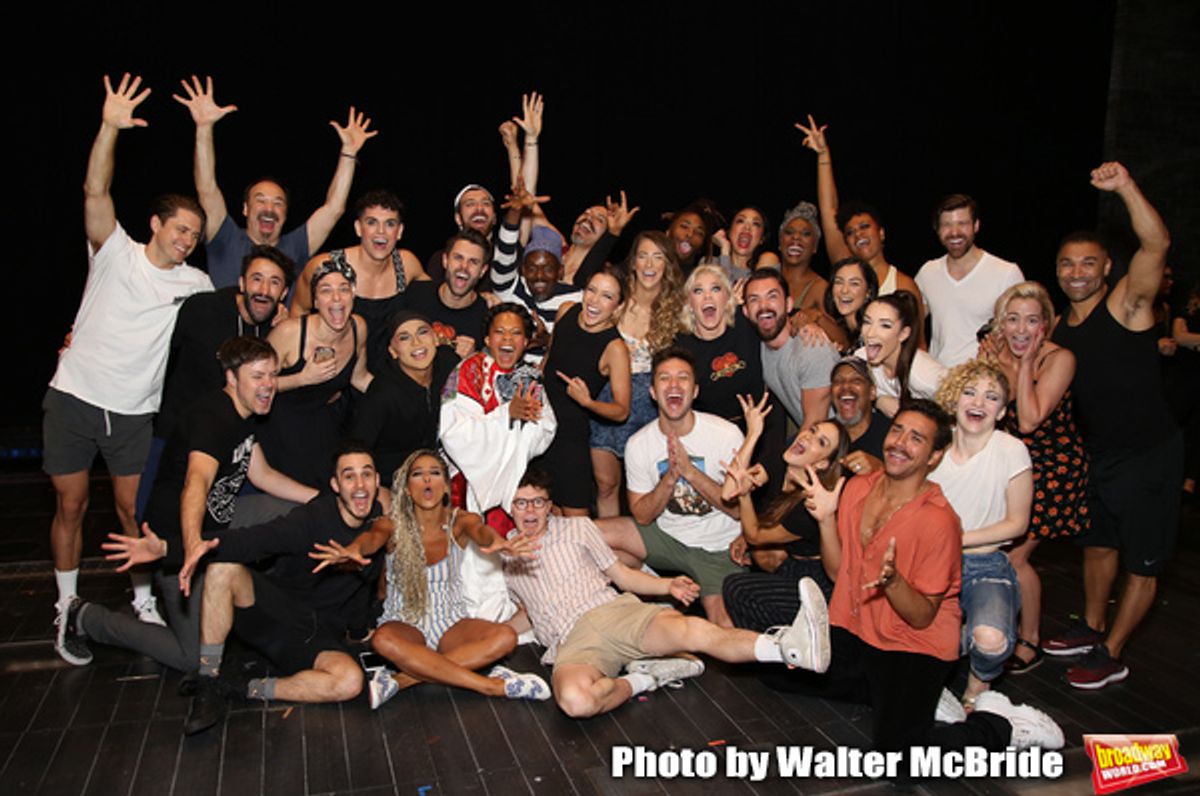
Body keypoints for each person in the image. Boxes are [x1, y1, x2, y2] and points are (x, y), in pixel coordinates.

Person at [790, 400, 1063, 776]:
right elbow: (839, 574)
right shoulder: (857, 490)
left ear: (934, 456)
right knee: (782, 672)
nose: (900, 443)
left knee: (899, 761)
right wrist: (825, 521)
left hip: (914, 644)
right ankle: (919, 702)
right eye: (898, 430)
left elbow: (922, 617)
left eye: (916, 438)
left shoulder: (939, 521)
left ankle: (1003, 726)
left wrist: (893, 582)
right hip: (861, 630)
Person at [47, 74, 214, 658]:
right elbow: (96, 189)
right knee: (71, 505)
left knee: (129, 510)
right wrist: (108, 128)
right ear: (156, 225)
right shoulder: (113, 250)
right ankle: (65, 605)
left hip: (135, 412)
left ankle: (143, 600)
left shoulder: (196, 283)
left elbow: (215, 335)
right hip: (74, 396)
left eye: (195, 234)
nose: (187, 240)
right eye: (180, 230)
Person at [59, 337, 318, 671]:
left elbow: (264, 475)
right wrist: (192, 545)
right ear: (231, 378)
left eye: (272, 375)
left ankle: (280, 604)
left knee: (297, 515)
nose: (268, 384)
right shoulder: (213, 420)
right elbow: (196, 482)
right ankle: (85, 617)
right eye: (257, 376)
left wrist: (322, 499)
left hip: (220, 523)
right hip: (175, 542)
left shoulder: (246, 411)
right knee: (194, 657)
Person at [503, 468, 831, 718]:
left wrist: (667, 585)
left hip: (614, 613)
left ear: (549, 505)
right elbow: (528, 611)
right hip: (572, 643)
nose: (530, 510)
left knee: (694, 631)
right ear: (510, 507)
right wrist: (496, 636)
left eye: (538, 501)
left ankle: (788, 646)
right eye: (521, 502)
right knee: (576, 702)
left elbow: (622, 575)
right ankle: (645, 678)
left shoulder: (577, 528)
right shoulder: (505, 557)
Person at [1044, 162, 1181, 690]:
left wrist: (1124, 187)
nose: (1075, 272)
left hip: (1149, 453)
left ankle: (1113, 652)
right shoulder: (1061, 325)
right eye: (1066, 264)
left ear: (1105, 270)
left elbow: (1157, 244)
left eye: (1087, 263)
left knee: (1142, 563)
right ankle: (1092, 627)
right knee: (1097, 546)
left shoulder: (1128, 304)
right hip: (1097, 456)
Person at [311, 450, 547, 708]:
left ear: (445, 485)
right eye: (417, 474)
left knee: (506, 637)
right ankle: (490, 684)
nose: (426, 481)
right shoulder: (390, 524)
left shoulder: (460, 521)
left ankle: (403, 679)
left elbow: (481, 532)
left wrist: (500, 543)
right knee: (382, 640)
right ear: (407, 486)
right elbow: (371, 539)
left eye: (434, 473)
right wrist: (355, 549)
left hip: (452, 621)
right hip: (405, 621)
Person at [182, 442, 389, 735]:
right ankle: (207, 680)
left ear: (377, 481)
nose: (359, 484)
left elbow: (361, 589)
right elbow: (254, 540)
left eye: (366, 475)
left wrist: (359, 631)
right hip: (278, 615)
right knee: (223, 567)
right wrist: (173, 549)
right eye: (349, 476)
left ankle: (243, 688)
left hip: (317, 638)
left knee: (349, 682)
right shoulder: (312, 519)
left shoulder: (378, 523)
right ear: (335, 485)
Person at [173, 75, 376, 288]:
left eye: (278, 203)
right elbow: (206, 188)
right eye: (260, 200)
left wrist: (349, 152)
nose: (269, 208)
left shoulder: (296, 246)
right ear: (245, 209)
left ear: (286, 214)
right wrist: (204, 128)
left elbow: (334, 208)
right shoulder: (225, 238)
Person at [139, 245, 294, 519]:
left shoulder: (276, 331)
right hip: (176, 439)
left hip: (234, 447)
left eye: (274, 283)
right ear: (242, 283)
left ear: (283, 293)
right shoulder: (203, 308)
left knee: (227, 526)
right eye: (257, 279)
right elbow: (155, 345)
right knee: (152, 522)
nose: (263, 289)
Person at [597, 348, 745, 626]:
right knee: (588, 534)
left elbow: (738, 511)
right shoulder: (639, 444)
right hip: (667, 537)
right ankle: (656, 583)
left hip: (718, 547)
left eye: (682, 378)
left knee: (722, 626)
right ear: (653, 391)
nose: (674, 385)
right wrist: (669, 479)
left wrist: (690, 472)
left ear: (695, 390)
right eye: (664, 378)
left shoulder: (725, 434)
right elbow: (642, 515)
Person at [985, 281, 1088, 673]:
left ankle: (1029, 641)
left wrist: (1024, 363)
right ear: (1001, 323)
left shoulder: (1060, 359)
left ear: (1045, 324)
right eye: (1013, 319)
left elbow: (1028, 419)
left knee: (1015, 556)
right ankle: (999, 627)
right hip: (1015, 465)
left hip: (1054, 467)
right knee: (999, 552)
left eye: (1031, 320)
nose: (1021, 329)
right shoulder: (996, 354)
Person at [930, 360, 1033, 708]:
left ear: (1002, 411)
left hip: (985, 564)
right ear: (955, 399)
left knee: (990, 641)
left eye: (991, 398)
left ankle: (977, 686)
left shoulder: (1010, 450)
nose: (978, 403)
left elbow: (1017, 524)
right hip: (932, 562)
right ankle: (951, 644)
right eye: (970, 393)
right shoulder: (936, 445)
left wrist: (956, 538)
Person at [720, 393, 848, 631]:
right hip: (791, 563)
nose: (809, 438)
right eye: (812, 430)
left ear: (822, 464)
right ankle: (784, 641)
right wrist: (753, 433)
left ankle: (800, 639)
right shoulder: (782, 463)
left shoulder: (810, 502)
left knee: (736, 588)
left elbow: (755, 535)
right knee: (758, 565)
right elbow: (728, 492)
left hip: (818, 579)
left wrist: (746, 494)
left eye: (821, 442)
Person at [590, 232, 685, 517]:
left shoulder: (676, 310)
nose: (649, 264)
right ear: (633, 262)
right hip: (607, 398)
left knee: (651, 488)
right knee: (607, 485)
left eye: (658, 257)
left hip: (652, 404)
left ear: (667, 265)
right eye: (643, 255)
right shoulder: (614, 299)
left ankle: (649, 554)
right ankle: (611, 553)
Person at [259, 259, 371, 490]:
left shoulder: (358, 328)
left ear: (353, 295)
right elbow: (254, 385)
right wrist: (301, 379)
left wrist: (405, 392)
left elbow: (359, 379)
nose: (337, 298)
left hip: (323, 430)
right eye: (326, 291)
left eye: (343, 289)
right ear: (315, 301)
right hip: (281, 430)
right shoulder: (289, 333)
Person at [794, 115, 923, 313]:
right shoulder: (846, 269)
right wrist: (823, 155)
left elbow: (918, 341)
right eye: (851, 232)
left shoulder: (903, 285)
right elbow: (829, 211)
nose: (859, 235)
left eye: (864, 227)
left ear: (881, 233)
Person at [292, 190, 430, 374]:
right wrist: (306, 363)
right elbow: (298, 310)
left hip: (390, 377)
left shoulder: (406, 264)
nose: (381, 231)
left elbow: (437, 297)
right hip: (339, 378)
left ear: (400, 231)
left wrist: (477, 299)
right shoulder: (325, 266)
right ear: (358, 228)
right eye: (372, 222)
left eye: (390, 224)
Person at [537, 267, 630, 514]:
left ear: (618, 307)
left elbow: (621, 411)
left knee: (576, 521)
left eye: (607, 296)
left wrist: (588, 402)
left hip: (570, 438)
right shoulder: (566, 310)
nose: (594, 301)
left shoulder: (615, 348)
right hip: (538, 427)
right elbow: (550, 356)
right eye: (592, 290)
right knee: (539, 510)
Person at [348, 311, 459, 485]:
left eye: (422, 332)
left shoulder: (449, 365)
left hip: (440, 472)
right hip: (392, 480)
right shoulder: (382, 392)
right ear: (393, 351)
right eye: (404, 337)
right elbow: (357, 450)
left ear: (436, 339)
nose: (416, 342)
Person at [916, 194, 1024, 368]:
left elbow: (1025, 330)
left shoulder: (1006, 273)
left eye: (962, 224)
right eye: (947, 225)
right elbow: (910, 321)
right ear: (937, 229)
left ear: (976, 226)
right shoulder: (928, 272)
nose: (954, 232)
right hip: (938, 385)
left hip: (985, 384)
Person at [742, 270, 838, 430]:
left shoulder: (811, 347)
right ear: (746, 311)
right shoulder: (756, 347)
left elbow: (815, 428)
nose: (764, 306)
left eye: (772, 296)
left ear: (788, 304)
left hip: (835, 442)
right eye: (754, 300)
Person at [403, 229, 493, 357]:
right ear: (445, 260)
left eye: (473, 262)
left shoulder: (487, 319)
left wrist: (473, 360)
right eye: (458, 257)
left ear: (483, 271)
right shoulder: (415, 296)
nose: (464, 267)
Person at [857, 292, 947, 416]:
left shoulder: (922, 375)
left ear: (903, 334)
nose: (871, 333)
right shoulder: (861, 359)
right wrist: (878, 400)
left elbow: (966, 402)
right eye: (867, 322)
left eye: (885, 325)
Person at [829, 357, 890, 476]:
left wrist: (880, 469)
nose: (845, 387)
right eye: (838, 382)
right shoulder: (823, 437)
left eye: (856, 381)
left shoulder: (892, 436)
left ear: (872, 393)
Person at [703, 206, 780, 281]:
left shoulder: (766, 264)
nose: (747, 227)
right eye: (741, 221)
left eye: (756, 224)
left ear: (762, 239)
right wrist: (725, 250)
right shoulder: (709, 263)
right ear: (729, 231)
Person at [822, 257, 879, 353]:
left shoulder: (872, 332)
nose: (844, 290)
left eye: (854, 284)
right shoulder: (835, 329)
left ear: (868, 292)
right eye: (839, 282)